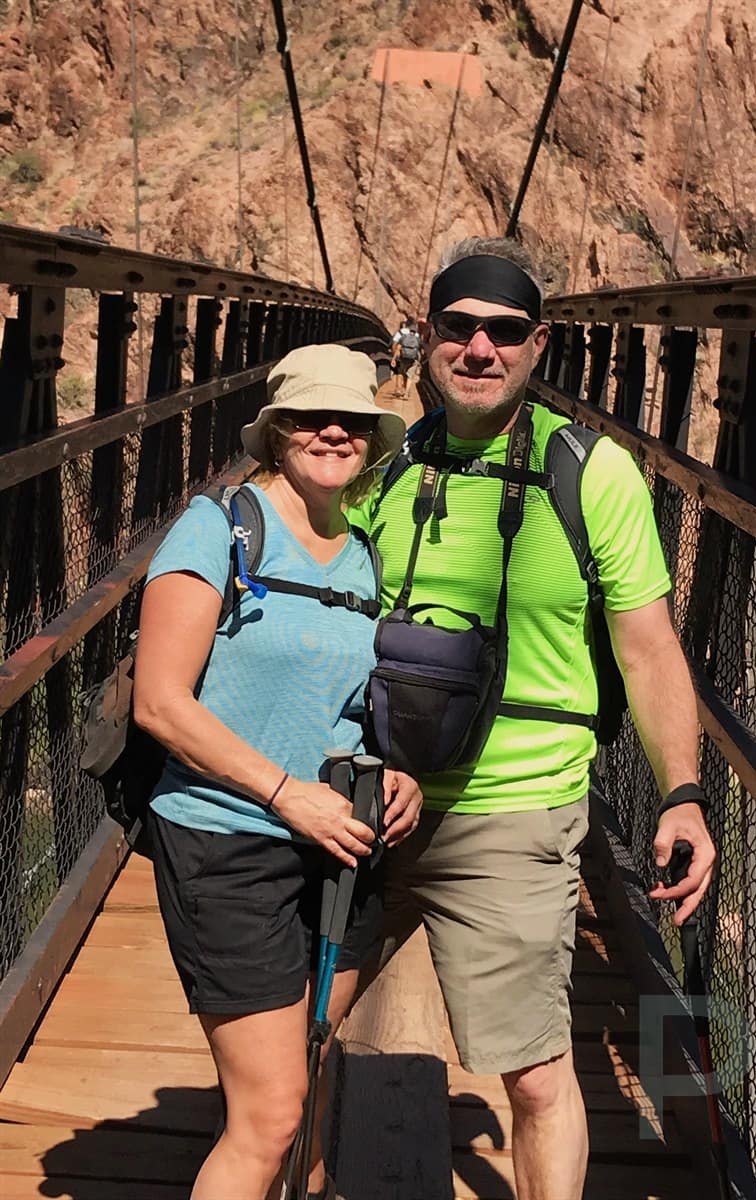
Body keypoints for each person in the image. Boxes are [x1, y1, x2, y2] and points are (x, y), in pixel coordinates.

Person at [351, 237, 716, 1200]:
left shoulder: (594, 476)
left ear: (539, 343)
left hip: (515, 814)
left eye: (504, 331)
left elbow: (648, 649)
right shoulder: (375, 467)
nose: (480, 348)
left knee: (538, 1078)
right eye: (458, 327)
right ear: (425, 339)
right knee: (286, 1041)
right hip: (359, 799)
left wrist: (682, 791)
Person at [133, 344, 422, 1200]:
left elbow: (360, 698)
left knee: (314, 1067)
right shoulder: (219, 527)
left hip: (341, 842)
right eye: (311, 418)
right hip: (231, 842)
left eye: (354, 420)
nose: (334, 431)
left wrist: (396, 767)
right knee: (270, 1113)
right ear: (276, 430)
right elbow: (160, 703)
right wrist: (284, 793)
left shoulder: (369, 554)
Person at [390, 314, 422, 398]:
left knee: (399, 372)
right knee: (409, 374)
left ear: (406, 324)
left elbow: (395, 343)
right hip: (413, 357)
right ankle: (406, 392)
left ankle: (398, 389)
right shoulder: (417, 335)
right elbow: (419, 346)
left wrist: (394, 355)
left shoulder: (401, 332)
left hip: (401, 355)